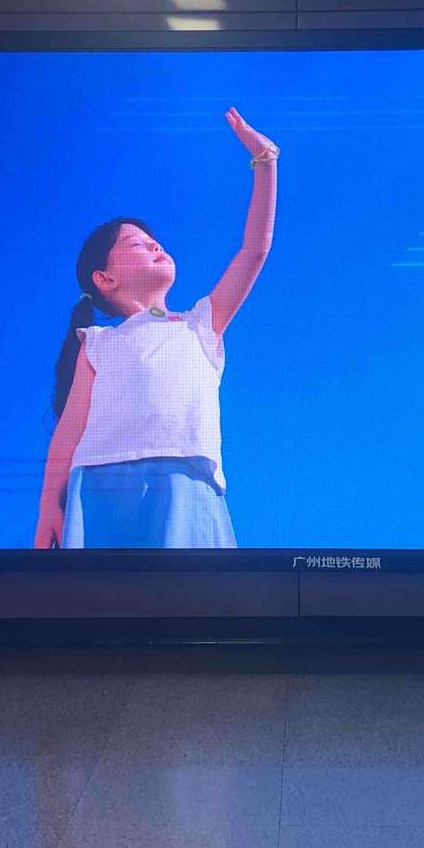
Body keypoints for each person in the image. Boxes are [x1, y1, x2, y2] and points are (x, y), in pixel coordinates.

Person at [34, 107, 279, 548]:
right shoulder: (98, 342)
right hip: (99, 486)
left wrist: (266, 161)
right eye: (136, 244)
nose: (155, 246)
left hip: (186, 478)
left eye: (155, 241)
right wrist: (50, 505)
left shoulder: (200, 324)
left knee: (193, 592)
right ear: (105, 279)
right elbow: (69, 429)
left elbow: (254, 250)